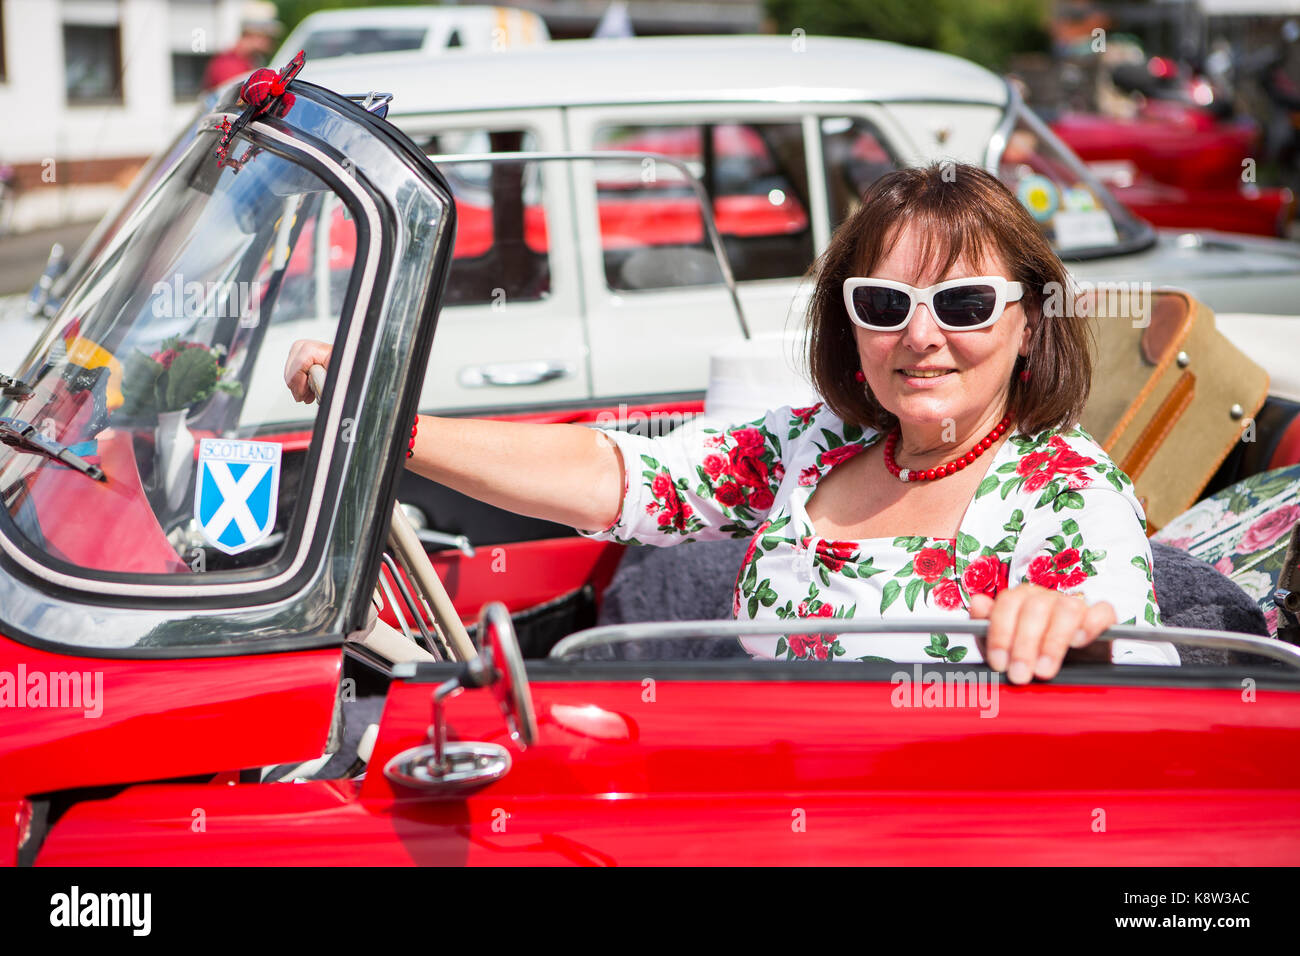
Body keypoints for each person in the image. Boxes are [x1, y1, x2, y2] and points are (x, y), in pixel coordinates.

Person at [284, 162, 1174, 682]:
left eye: (966, 302)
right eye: (883, 302)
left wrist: (1067, 632)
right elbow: (623, 479)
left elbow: (1142, 684)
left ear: (1030, 324)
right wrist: (391, 422)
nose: (921, 336)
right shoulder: (818, 443)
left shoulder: (1071, 495)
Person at [201, 19, 281, 92]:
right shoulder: (229, 64)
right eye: (269, 37)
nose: (272, 42)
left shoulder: (249, 60)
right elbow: (234, 99)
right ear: (255, 35)